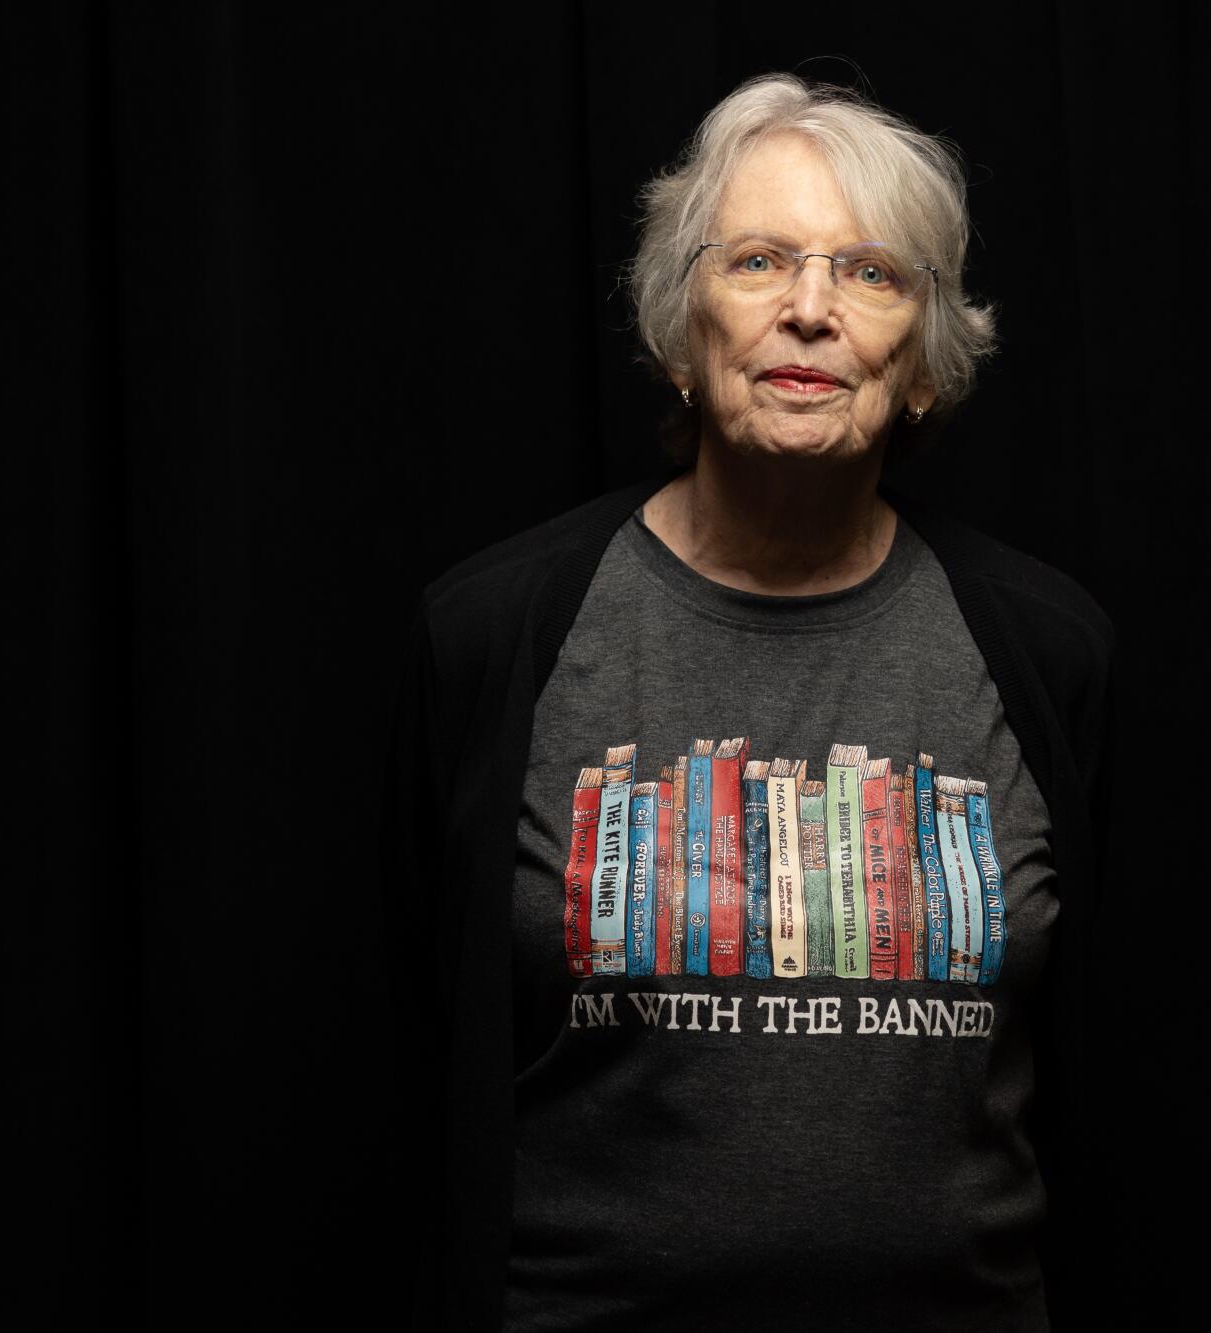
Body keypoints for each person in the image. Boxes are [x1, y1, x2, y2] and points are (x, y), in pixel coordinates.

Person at [381, 72, 1122, 1332]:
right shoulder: (495, 632)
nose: (810, 311)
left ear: (926, 365)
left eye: (870, 273)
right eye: (760, 261)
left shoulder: (1045, 649)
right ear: (683, 330)